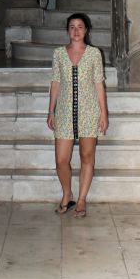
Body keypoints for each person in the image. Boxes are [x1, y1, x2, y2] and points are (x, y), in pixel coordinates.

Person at [47, 12, 109, 216]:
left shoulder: (94, 54)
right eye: (72, 27)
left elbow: (99, 84)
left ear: (86, 30)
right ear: (67, 30)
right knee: (61, 160)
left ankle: (81, 200)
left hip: (89, 110)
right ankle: (67, 194)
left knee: (87, 156)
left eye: (80, 27)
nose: (76, 31)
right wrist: (51, 111)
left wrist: (103, 113)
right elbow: (55, 82)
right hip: (64, 111)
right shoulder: (58, 53)